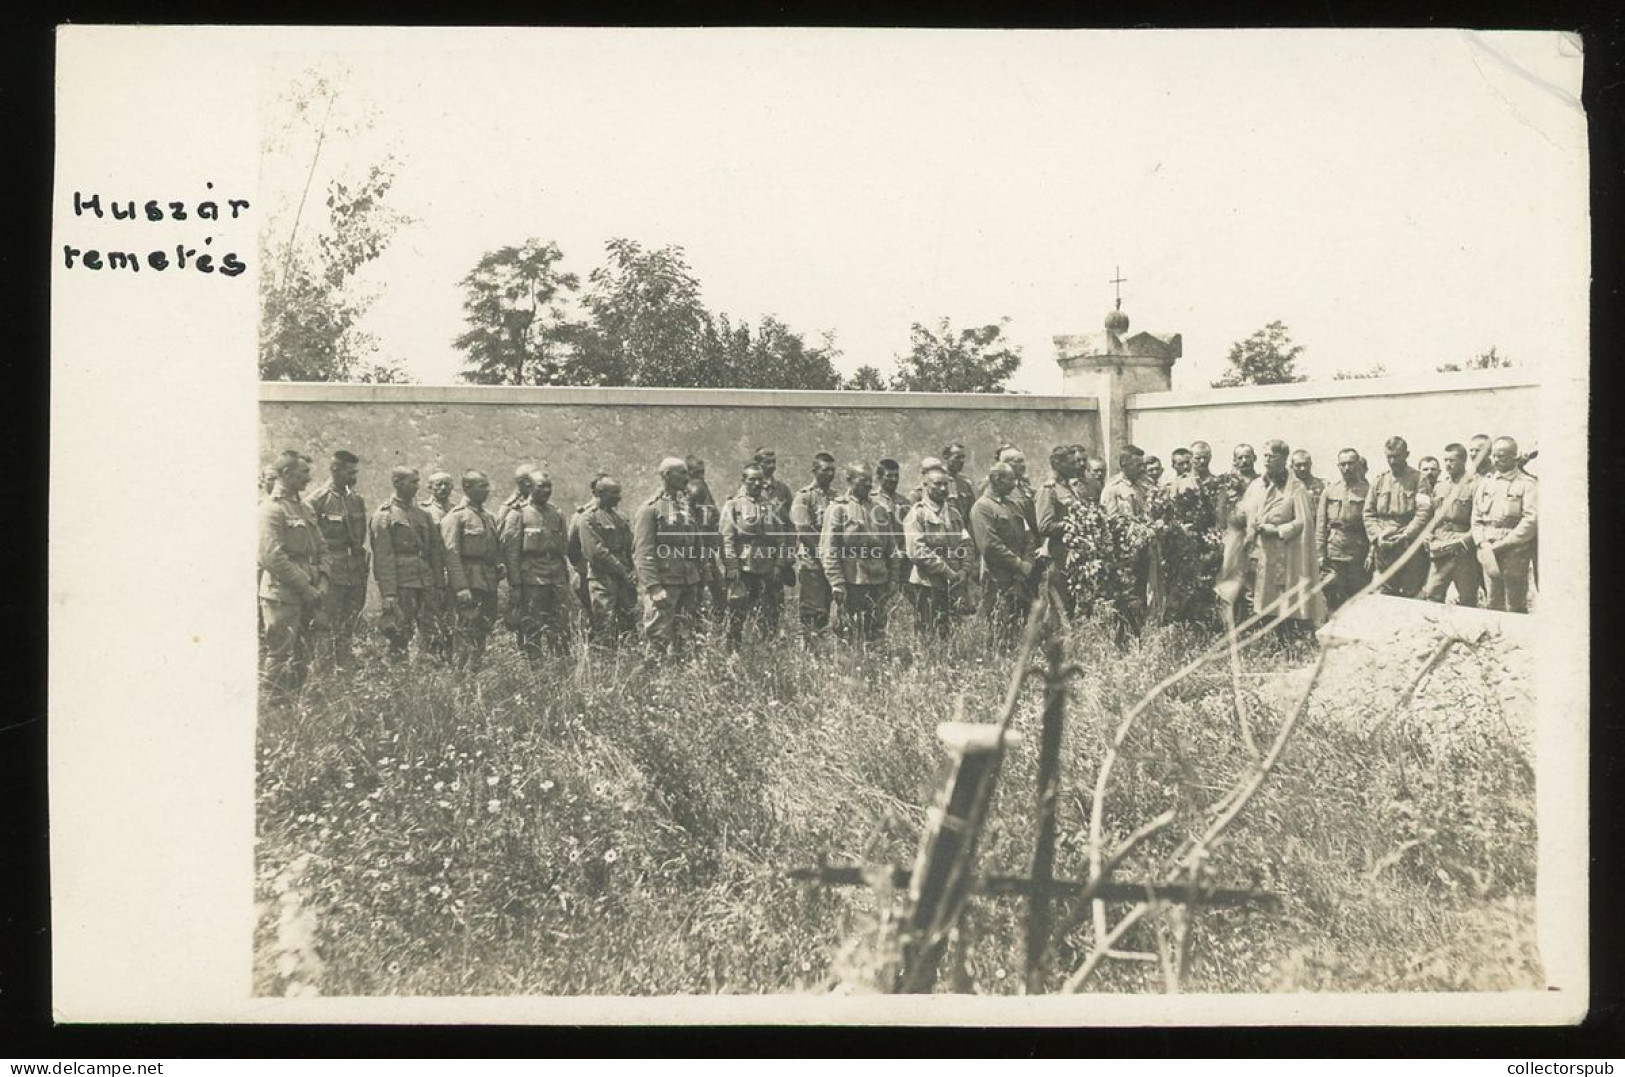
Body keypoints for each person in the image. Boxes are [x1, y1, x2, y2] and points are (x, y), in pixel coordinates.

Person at [258, 451, 327, 696]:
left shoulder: (305, 508)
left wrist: (323, 580)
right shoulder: (271, 510)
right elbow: (271, 556)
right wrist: (305, 587)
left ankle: (294, 706)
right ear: (286, 473)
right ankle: (274, 708)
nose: (309, 478)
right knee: (280, 655)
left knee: (303, 654)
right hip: (283, 594)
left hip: (309, 592)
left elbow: (321, 547)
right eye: (304, 473)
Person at [1237, 440, 1324, 631]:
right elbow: (1244, 512)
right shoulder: (1256, 485)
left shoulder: (1296, 488)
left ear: (1284, 459)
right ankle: (1264, 637)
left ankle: (1288, 637)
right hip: (1259, 551)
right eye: (1265, 455)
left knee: (1282, 599)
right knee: (1258, 598)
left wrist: (1277, 530)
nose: (1267, 460)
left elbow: (1303, 522)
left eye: (1273, 456)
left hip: (1284, 552)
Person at [631, 456, 706, 657]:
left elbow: (696, 543)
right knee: (659, 636)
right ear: (666, 475)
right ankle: (653, 680)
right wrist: (654, 586)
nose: (686, 477)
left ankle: (682, 680)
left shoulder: (685, 506)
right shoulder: (650, 509)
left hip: (688, 581)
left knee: (687, 634)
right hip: (665, 583)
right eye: (681, 473)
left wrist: (701, 576)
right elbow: (643, 551)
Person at [370, 466, 445, 662]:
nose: (417, 487)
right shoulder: (384, 515)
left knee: (432, 630)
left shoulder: (422, 514)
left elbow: (434, 552)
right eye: (412, 482)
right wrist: (389, 594)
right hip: (403, 583)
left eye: (417, 482)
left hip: (425, 580)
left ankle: (428, 673)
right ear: (397, 483)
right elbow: (383, 558)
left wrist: (438, 584)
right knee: (400, 634)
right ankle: (398, 678)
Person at [821, 461, 898, 643]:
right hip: (852, 582)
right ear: (849, 480)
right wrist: (836, 582)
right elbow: (829, 549)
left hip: (878, 580)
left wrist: (893, 578)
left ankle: (877, 667)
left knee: (877, 632)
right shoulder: (838, 509)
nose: (868, 485)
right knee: (848, 634)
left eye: (870, 481)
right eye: (862, 480)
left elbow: (891, 547)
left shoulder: (879, 509)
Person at [306, 450, 368, 669]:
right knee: (326, 625)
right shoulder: (317, 500)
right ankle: (323, 673)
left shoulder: (356, 500)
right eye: (350, 473)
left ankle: (345, 668)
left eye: (355, 472)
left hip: (354, 571)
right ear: (335, 470)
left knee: (349, 622)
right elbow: (311, 544)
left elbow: (359, 539)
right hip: (330, 572)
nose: (354, 477)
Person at [500, 468, 570, 659]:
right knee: (532, 624)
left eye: (549, 487)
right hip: (531, 578)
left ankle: (560, 662)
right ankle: (534, 665)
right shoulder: (518, 515)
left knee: (560, 622)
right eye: (541, 486)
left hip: (556, 577)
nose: (547, 491)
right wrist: (515, 584)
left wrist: (564, 578)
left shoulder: (556, 514)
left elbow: (562, 549)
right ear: (529, 487)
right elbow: (511, 553)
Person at [719, 464, 791, 648]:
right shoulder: (733, 505)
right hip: (744, 570)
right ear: (743, 481)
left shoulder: (771, 507)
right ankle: (733, 653)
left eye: (760, 479)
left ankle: (764, 651)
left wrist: (779, 566)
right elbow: (727, 539)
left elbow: (781, 540)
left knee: (769, 615)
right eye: (752, 479)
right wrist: (732, 567)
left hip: (768, 570)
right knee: (737, 616)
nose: (758, 483)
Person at [440, 470, 502, 669]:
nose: (487, 490)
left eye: (487, 485)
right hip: (468, 583)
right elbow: (451, 554)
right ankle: (459, 679)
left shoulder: (489, 516)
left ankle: (475, 675)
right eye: (481, 486)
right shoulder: (456, 517)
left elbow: (493, 548)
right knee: (465, 632)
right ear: (467, 488)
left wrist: (498, 566)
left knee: (483, 630)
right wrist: (460, 587)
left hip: (488, 582)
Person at [1472, 436, 1538, 613]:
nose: (1496, 460)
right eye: (1494, 456)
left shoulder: (1527, 484)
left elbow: (1530, 520)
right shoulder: (1486, 482)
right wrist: (1482, 543)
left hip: (1514, 552)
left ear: (1514, 457)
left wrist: (1504, 544)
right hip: (1488, 550)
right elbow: (1476, 517)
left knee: (1514, 604)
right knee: (1493, 602)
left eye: (1501, 456)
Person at [904, 465, 972, 636]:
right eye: (937, 484)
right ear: (925, 486)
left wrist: (964, 570)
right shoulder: (917, 514)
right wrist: (946, 571)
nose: (943, 489)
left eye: (945, 484)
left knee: (952, 633)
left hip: (954, 584)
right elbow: (916, 551)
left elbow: (966, 543)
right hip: (928, 584)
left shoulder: (955, 514)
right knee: (928, 633)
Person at [971, 462, 1035, 633]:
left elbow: (1028, 535)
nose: (1015, 484)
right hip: (997, 578)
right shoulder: (982, 508)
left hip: (1020, 578)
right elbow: (989, 545)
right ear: (998, 480)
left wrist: (1027, 562)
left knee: (1020, 624)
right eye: (1011, 480)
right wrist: (1018, 564)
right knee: (998, 627)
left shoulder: (1013, 505)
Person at [1100, 445, 1157, 636]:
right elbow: (1110, 522)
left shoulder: (1145, 485)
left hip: (1145, 551)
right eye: (1137, 465)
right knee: (1126, 597)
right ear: (1124, 464)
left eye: (1143, 465)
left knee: (1142, 594)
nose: (1142, 469)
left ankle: (1140, 634)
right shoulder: (1113, 488)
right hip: (1124, 554)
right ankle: (1123, 637)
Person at [1363, 435, 1429, 597]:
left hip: (1408, 545)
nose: (1392, 461)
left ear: (1407, 455)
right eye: (1389, 457)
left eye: (1397, 457)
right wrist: (1379, 536)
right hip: (1384, 547)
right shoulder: (1379, 481)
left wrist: (1406, 535)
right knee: (1385, 592)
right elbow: (1368, 513)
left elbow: (1423, 512)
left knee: (1410, 592)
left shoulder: (1419, 479)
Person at [577, 475, 638, 646]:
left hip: (624, 579)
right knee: (605, 624)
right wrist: (623, 571)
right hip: (603, 580)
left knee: (629, 621)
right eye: (614, 493)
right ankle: (604, 664)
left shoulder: (621, 517)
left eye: (619, 492)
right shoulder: (588, 518)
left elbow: (630, 546)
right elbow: (596, 552)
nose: (619, 497)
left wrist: (633, 571)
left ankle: (628, 659)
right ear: (600, 493)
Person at [1423, 443, 1481, 607]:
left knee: (1467, 597)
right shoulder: (1440, 487)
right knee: (1432, 593)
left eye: (1452, 460)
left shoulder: (1474, 486)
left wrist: (1464, 541)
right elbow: (1432, 517)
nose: (1448, 464)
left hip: (1462, 549)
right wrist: (1428, 535)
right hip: (1440, 547)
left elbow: (1479, 521)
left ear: (1463, 460)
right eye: (1445, 460)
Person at [1034, 444, 1091, 609]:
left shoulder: (1071, 488)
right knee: (1059, 608)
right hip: (1058, 559)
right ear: (1057, 465)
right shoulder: (1048, 490)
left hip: (1072, 558)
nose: (1076, 467)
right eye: (1071, 463)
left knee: (1072, 607)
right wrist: (1072, 525)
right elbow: (1044, 525)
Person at [1316, 449, 1373, 611]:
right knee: (1333, 597)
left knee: (1360, 600)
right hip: (1334, 553)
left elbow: (1372, 525)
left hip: (1358, 554)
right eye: (1343, 464)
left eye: (1350, 464)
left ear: (1357, 465)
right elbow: (1321, 525)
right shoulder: (1329, 491)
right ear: (1338, 466)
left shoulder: (1368, 491)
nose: (1347, 468)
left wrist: (1371, 553)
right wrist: (1320, 554)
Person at [790, 453, 839, 639]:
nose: (830, 474)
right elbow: (804, 530)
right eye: (825, 470)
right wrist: (824, 555)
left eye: (832, 470)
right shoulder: (804, 497)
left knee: (831, 611)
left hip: (833, 565)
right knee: (813, 611)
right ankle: (810, 654)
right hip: (813, 564)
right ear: (815, 471)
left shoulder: (836, 497)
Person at [751, 447, 798, 616]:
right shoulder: (750, 487)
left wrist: (790, 553)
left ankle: (775, 637)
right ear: (757, 463)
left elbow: (790, 524)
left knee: (775, 601)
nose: (771, 466)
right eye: (766, 462)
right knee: (753, 601)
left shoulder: (782, 490)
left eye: (773, 462)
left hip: (777, 554)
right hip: (755, 556)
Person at [417, 470, 457, 660]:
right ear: (429, 487)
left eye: (447, 484)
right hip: (432, 571)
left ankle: (451, 657)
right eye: (438, 484)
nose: (443, 488)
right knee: (431, 617)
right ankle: (432, 657)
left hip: (453, 571)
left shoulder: (456, 510)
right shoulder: (422, 511)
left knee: (453, 617)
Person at [685, 455, 727, 623]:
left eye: (702, 472)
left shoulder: (703, 489)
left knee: (718, 590)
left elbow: (713, 516)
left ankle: (716, 625)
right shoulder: (689, 493)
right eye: (696, 473)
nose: (701, 476)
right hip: (695, 552)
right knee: (697, 592)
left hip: (707, 549)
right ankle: (698, 626)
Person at [565, 475, 609, 616]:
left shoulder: (615, 514)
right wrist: (582, 568)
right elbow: (572, 549)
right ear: (595, 491)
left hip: (612, 575)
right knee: (594, 617)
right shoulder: (583, 515)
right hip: (588, 576)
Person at [872, 458, 912, 599]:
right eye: (889, 476)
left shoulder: (905, 503)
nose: (893, 480)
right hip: (879, 560)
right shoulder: (871, 501)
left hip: (902, 561)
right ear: (878, 477)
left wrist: (903, 551)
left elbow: (911, 532)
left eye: (896, 476)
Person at [942, 442, 978, 526]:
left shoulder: (965, 483)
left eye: (963, 458)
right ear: (946, 456)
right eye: (957, 457)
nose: (962, 461)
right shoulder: (937, 481)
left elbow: (972, 512)